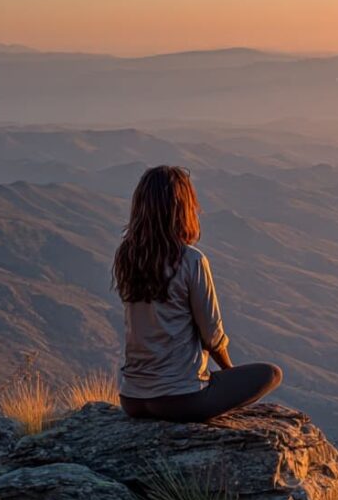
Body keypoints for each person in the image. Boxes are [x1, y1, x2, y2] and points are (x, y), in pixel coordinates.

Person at [112, 165, 282, 422]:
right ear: (182, 208)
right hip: (180, 399)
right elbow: (212, 335)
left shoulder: (127, 256)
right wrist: (228, 374)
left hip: (132, 399)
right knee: (271, 374)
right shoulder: (191, 260)